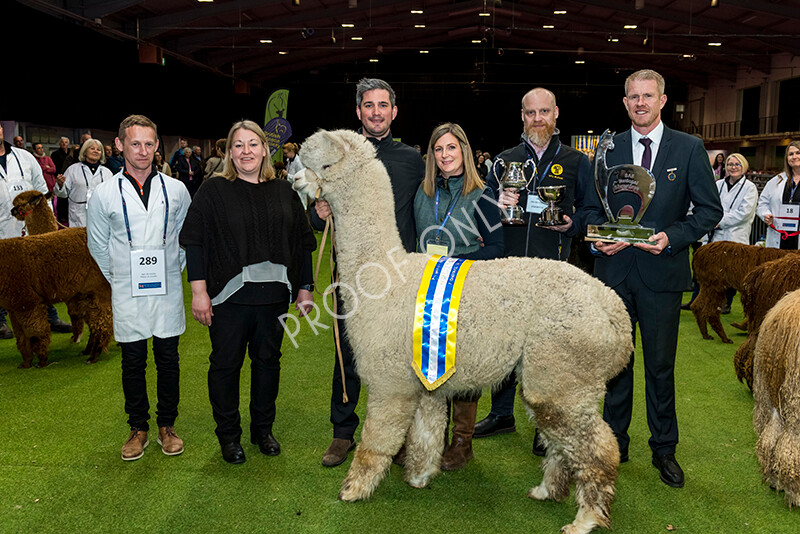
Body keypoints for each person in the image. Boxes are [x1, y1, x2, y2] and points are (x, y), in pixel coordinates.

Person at [584, 69, 722, 488]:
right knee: (615, 366)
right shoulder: (607, 149)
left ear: (663, 100)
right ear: (625, 103)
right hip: (614, 273)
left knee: (660, 368)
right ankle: (615, 445)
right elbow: (591, 209)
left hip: (662, 275)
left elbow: (708, 211)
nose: (640, 102)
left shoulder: (689, 147)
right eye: (633, 96)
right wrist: (597, 241)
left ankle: (664, 450)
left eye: (648, 96)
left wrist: (672, 237)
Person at [180, 120, 316, 464]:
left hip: (273, 298)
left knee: (268, 363)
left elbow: (303, 243)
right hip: (228, 299)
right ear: (228, 152)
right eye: (238, 145)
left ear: (265, 149)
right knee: (226, 365)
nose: (246, 151)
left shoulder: (284, 191)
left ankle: (262, 430)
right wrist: (199, 292)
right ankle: (228, 436)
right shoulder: (213, 191)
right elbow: (194, 241)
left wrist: (305, 288)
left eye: (253, 144)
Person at [310, 78, 424, 467]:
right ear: (358, 111)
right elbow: (312, 207)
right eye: (368, 105)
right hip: (356, 277)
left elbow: (423, 212)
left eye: (383, 105)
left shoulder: (411, 159)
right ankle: (343, 432)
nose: (376, 112)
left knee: (399, 356)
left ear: (394, 111)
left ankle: (398, 434)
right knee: (349, 353)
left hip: (400, 276)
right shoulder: (338, 155)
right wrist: (319, 211)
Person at [474, 87, 592, 457]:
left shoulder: (576, 161)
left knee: (545, 352)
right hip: (506, 271)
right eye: (530, 113)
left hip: (552, 273)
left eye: (544, 112)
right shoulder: (504, 160)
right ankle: (501, 413)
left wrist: (571, 224)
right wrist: (496, 203)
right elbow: (480, 214)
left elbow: (591, 212)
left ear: (556, 114)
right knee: (504, 345)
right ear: (521, 117)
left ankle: (545, 424)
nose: (537, 119)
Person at [87, 114, 191, 461]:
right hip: (127, 288)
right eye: (135, 143)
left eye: (149, 143)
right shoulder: (103, 194)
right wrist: (120, 276)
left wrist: (172, 268)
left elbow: (186, 236)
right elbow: (98, 245)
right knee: (132, 361)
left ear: (157, 146)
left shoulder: (176, 190)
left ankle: (167, 425)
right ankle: (138, 428)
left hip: (166, 288)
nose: (142, 151)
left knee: (168, 359)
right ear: (119, 145)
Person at [413, 122, 503, 470]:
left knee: (463, 369)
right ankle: (427, 439)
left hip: (466, 292)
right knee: (425, 362)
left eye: (451, 148)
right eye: (438, 149)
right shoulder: (422, 192)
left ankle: (462, 442)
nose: (445, 155)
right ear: (431, 155)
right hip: (425, 292)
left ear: (463, 151)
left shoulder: (484, 195)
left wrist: (455, 263)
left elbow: (496, 248)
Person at [0, 122, 56, 339]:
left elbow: (42, 191)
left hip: (29, 228)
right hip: (2, 229)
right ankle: (0, 319)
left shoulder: (24, 157)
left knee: (38, 273)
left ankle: (50, 314)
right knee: (3, 277)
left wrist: (47, 224)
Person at [708, 153, 758, 313]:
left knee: (732, 271)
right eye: (730, 164)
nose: (733, 167)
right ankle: (714, 300)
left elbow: (744, 213)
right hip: (717, 234)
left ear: (743, 167)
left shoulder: (750, 187)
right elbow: (712, 205)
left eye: (737, 164)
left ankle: (727, 303)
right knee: (717, 271)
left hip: (736, 234)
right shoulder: (719, 184)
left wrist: (719, 221)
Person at [54, 138, 113, 228]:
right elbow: (63, 194)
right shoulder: (73, 169)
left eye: (98, 150)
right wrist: (61, 185)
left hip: (102, 216)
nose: (95, 151)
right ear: (85, 151)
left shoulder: (107, 172)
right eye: (92, 148)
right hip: (79, 216)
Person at [756, 140, 800, 250]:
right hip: (778, 236)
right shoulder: (776, 181)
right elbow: (762, 203)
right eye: (791, 154)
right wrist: (765, 215)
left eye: (798, 153)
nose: (794, 156)